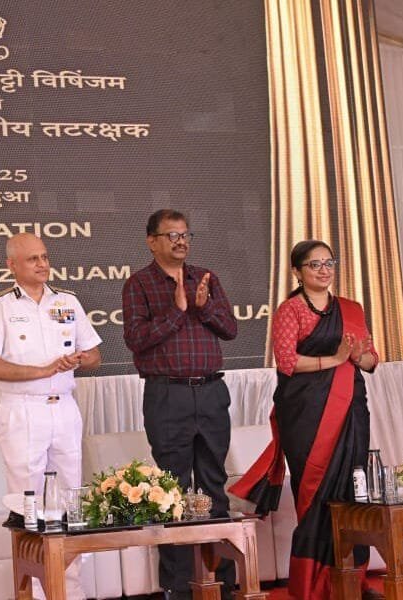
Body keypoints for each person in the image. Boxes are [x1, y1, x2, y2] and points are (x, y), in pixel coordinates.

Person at [230, 240, 378, 599]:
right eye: (314, 265)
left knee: (353, 491)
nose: (324, 270)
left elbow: (373, 361)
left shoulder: (351, 310)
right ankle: (314, 584)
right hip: (306, 415)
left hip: (350, 409)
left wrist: (357, 357)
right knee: (317, 495)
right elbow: (287, 363)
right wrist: (336, 357)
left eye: (329, 262)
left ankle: (352, 579)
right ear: (297, 271)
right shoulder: (290, 311)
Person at [0, 232, 102, 600]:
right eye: (33, 259)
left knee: (70, 501)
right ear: (11, 265)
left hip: (63, 408)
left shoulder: (67, 301)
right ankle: (31, 591)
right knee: (28, 504)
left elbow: (94, 353)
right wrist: (41, 371)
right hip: (22, 410)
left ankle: (69, 591)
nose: (43, 264)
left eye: (45, 256)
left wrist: (79, 359)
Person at [121, 209, 238, 598]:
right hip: (166, 395)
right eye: (171, 236)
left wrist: (203, 306)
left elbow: (231, 329)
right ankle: (179, 589)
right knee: (171, 491)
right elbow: (136, 339)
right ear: (151, 241)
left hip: (209, 392)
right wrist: (178, 310)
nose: (180, 242)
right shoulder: (139, 284)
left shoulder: (206, 278)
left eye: (185, 234)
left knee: (214, 486)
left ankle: (221, 583)